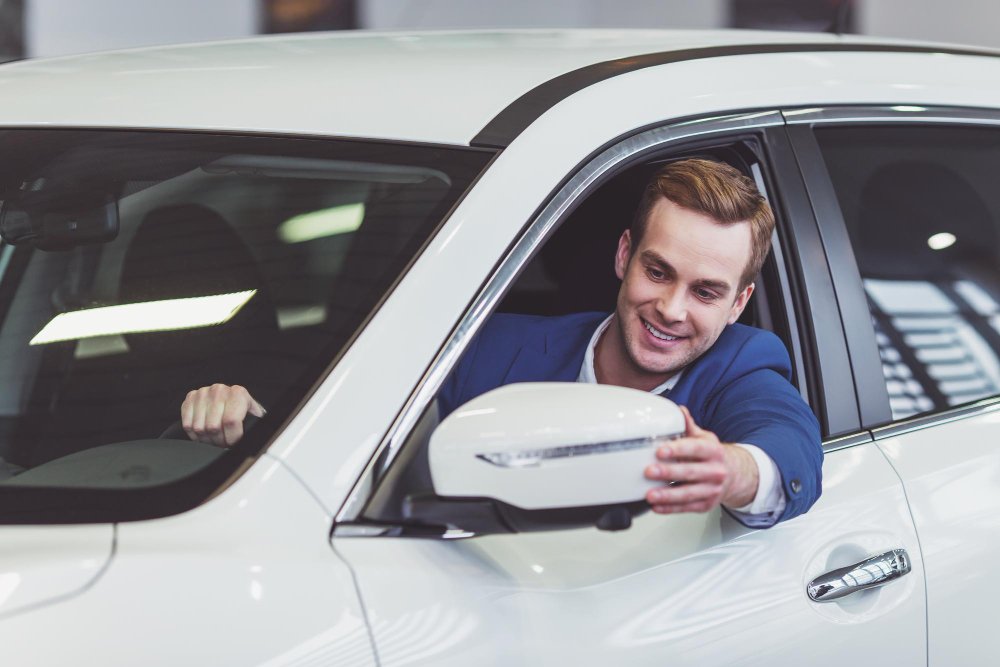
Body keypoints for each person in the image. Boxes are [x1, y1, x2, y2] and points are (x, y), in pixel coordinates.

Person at [185, 158, 822, 527]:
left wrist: (732, 471)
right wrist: (252, 425)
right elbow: (368, 436)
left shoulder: (745, 366)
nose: (671, 309)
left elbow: (788, 448)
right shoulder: (497, 345)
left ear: (739, 303)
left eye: (706, 292)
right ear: (625, 255)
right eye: (657, 272)